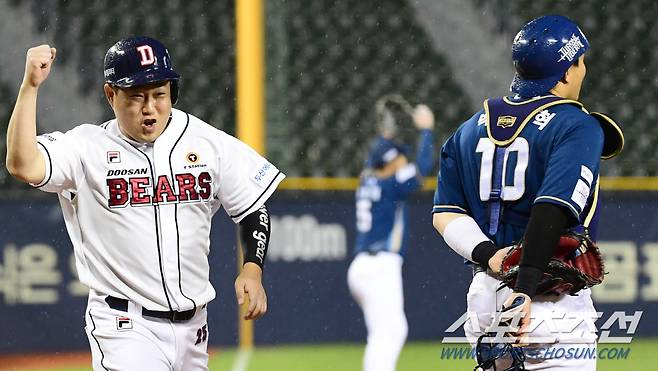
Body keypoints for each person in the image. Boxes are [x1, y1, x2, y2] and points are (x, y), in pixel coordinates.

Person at [5, 36, 285, 370]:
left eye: (159, 94)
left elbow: (253, 208)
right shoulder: (86, 148)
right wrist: (30, 87)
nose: (150, 107)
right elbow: (22, 164)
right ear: (111, 95)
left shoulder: (206, 142)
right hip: (125, 327)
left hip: (195, 329)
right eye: (137, 96)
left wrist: (252, 269)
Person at [432, 15, 623, 370]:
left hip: (485, 299)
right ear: (567, 71)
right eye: (581, 62)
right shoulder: (576, 125)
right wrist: (524, 285)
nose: (583, 70)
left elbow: (446, 214)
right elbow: (551, 208)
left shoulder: (469, 129)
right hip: (544, 301)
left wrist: (492, 255)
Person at [347, 98, 435, 371]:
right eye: (398, 156)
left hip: (362, 266)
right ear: (389, 162)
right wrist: (427, 130)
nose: (402, 160)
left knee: (384, 333)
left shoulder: (367, 179)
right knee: (390, 332)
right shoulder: (391, 185)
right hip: (380, 266)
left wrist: (386, 139)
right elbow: (423, 166)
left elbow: (376, 161)